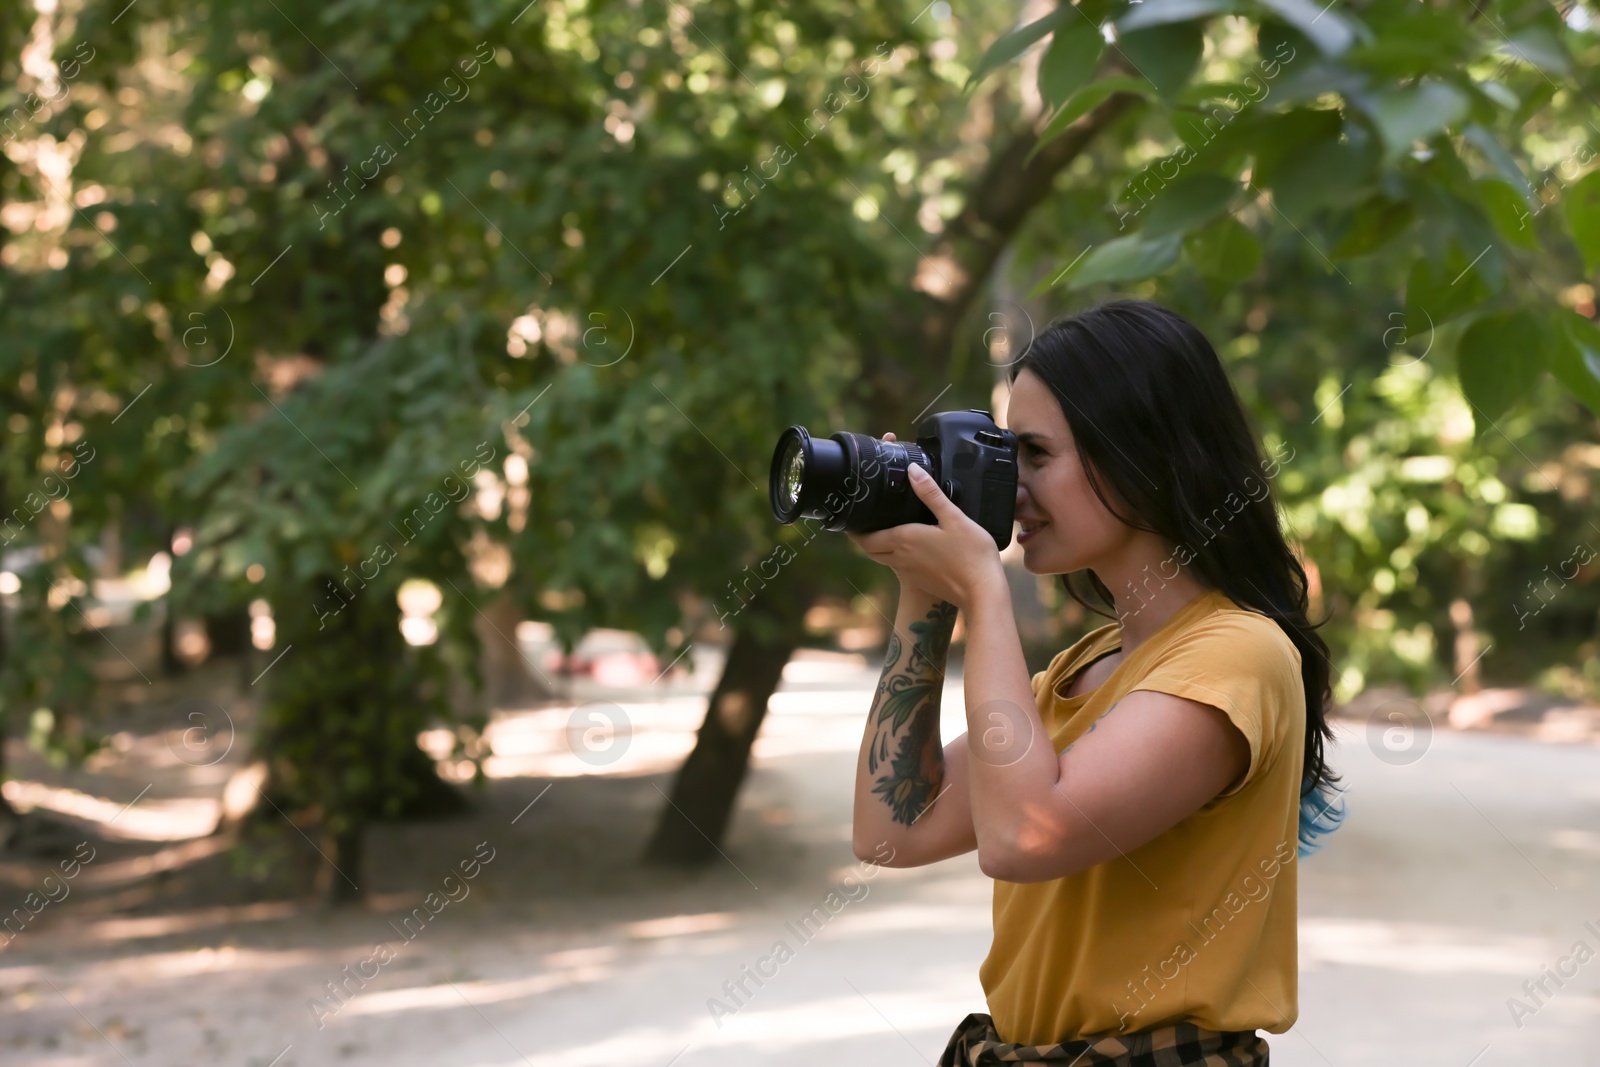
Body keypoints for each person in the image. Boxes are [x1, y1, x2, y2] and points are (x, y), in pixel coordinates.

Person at [847, 298, 1345, 1066]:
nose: (1010, 486)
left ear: (1142, 454)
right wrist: (926, 590)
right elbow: (892, 829)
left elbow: (1021, 837)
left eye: (1036, 455)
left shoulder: (1239, 654)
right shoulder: (1084, 667)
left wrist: (982, 588)